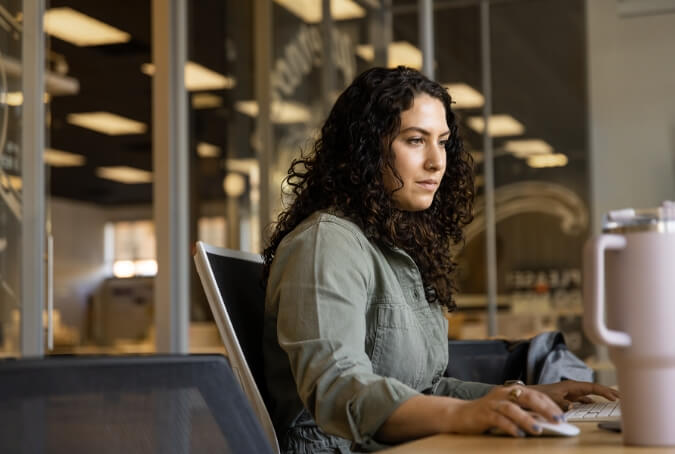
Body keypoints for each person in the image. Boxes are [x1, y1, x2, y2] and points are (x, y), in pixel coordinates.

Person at [261, 66, 618, 453]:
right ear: (363, 150)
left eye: (443, 142)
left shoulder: (395, 249)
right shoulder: (325, 243)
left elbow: (425, 391)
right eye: (415, 140)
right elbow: (337, 388)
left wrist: (521, 397)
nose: (436, 162)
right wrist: (464, 415)